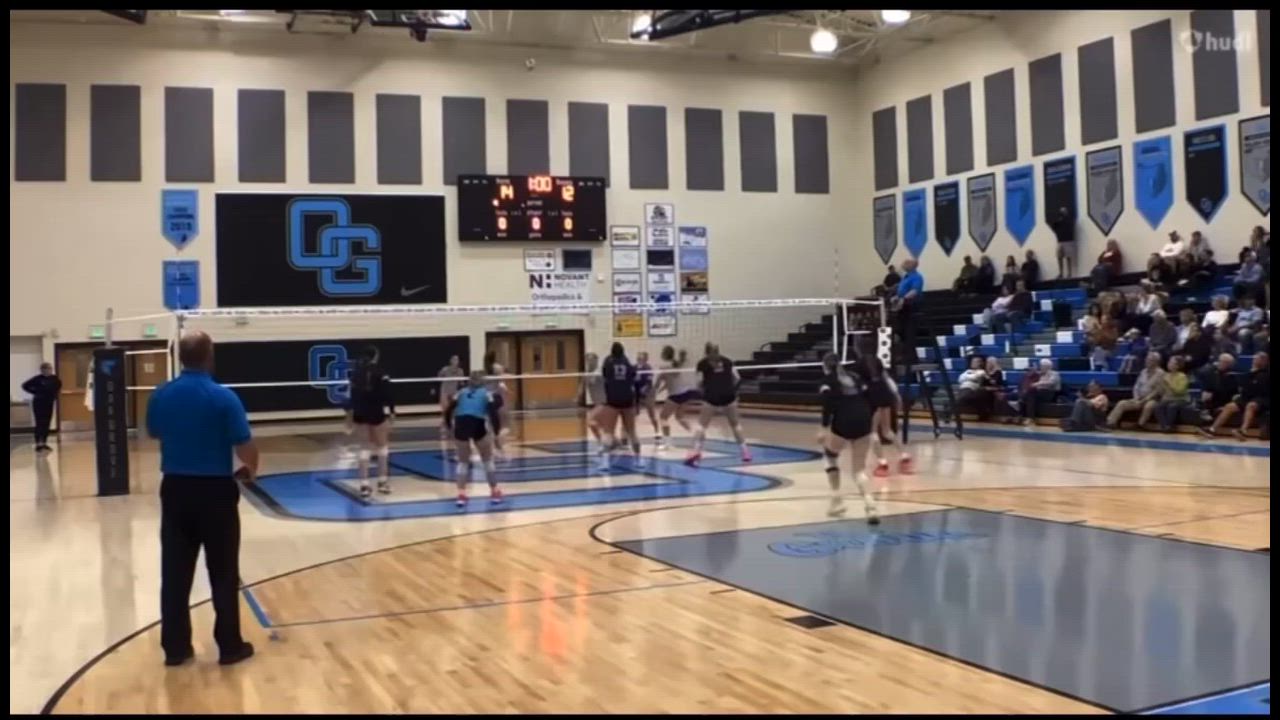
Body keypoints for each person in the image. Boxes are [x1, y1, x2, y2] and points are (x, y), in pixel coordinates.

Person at [145, 331, 258, 668]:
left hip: (175, 489)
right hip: (215, 492)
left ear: (180, 357)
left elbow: (153, 432)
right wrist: (250, 470)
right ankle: (229, 646)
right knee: (223, 570)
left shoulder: (161, 394)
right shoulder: (223, 397)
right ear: (210, 356)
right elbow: (244, 443)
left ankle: (176, 648)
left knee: (175, 572)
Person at [817, 352, 879, 522]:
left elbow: (827, 403)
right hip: (864, 419)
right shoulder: (855, 377)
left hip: (844, 420)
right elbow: (872, 398)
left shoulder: (827, 381)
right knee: (859, 470)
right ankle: (870, 505)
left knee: (829, 457)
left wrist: (823, 428)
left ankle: (836, 500)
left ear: (825, 366)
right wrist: (867, 417)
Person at [442, 370, 503, 507]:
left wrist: (449, 426)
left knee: (463, 462)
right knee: (487, 460)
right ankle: (494, 491)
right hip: (477, 424)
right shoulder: (486, 393)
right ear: (483, 381)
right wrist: (496, 433)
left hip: (460, 425)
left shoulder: (461, 392)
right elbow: (493, 413)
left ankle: (461, 495)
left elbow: (448, 410)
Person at [685, 343, 750, 466]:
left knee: (701, 426)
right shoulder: (727, 361)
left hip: (712, 396)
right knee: (735, 425)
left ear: (706, 353)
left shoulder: (702, 364)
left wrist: (703, 392)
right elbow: (737, 379)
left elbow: (698, 383)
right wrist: (732, 391)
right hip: (728, 396)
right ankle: (745, 452)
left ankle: (696, 451)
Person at [347, 345, 396, 499]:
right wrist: (391, 411)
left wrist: (351, 415)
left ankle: (364, 485)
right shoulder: (381, 372)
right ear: (376, 356)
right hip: (376, 412)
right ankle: (382, 482)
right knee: (382, 447)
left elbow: (352, 396)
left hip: (360, 413)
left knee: (364, 448)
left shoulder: (356, 373)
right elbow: (387, 394)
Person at [861, 352, 912, 477]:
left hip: (873, 397)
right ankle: (905, 456)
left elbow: (859, 386)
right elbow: (887, 379)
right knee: (887, 431)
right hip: (885, 394)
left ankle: (882, 463)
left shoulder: (860, 364)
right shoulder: (877, 360)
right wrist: (897, 395)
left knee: (872, 433)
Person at [1200, 352, 1270, 440]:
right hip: (1247, 397)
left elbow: (1261, 389)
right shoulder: (1250, 373)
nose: (1254, 360)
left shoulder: (1267, 374)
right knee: (1230, 406)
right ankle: (1212, 429)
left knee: (1251, 405)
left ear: (1264, 361)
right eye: (1254, 359)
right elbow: (1244, 386)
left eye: (1257, 359)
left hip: (1263, 398)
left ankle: (1243, 431)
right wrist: (1252, 373)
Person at [597, 342, 642, 467]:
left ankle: (605, 463)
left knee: (608, 432)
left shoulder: (608, 362)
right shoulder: (627, 362)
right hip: (628, 399)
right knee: (632, 432)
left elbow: (605, 376)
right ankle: (639, 460)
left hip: (613, 400)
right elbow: (634, 377)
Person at [1106, 352, 1165, 429]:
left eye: (1150, 360)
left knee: (1149, 406)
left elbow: (1157, 391)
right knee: (1122, 403)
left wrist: (1144, 400)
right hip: (1139, 398)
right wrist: (1136, 397)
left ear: (1156, 362)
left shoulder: (1161, 374)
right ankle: (1110, 422)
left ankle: (1140, 424)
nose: (1147, 362)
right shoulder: (1143, 372)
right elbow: (1136, 386)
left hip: (1153, 399)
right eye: (1147, 359)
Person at [656, 346, 697, 448]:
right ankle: (695, 434)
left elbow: (659, 381)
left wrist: (652, 392)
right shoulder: (675, 364)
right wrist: (662, 389)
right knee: (679, 417)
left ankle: (667, 443)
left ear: (665, 354)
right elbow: (671, 380)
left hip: (675, 396)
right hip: (685, 393)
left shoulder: (664, 367)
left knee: (663, 417)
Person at [21, 362, 61, 452]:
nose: (49, 370)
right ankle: (38, 444)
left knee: (47, 423)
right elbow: (24, 386)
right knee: (39, 423)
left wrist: (54, 396)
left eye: (50, 369)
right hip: (39, 403)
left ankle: (44, 443)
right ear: (42, 370)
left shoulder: (54, 379)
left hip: (49, 403)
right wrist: (35, 392)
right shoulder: (37, 379)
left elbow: (58, 386)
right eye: (47, 369)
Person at [483, 350, 512, 461]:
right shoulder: (497, 368)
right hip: (493, 398)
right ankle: (497, 448)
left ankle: (496, 447)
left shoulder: (484, 370)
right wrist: (505, 389)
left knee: (493, 424)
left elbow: (499, 381)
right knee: (497, 424)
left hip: (488, 399)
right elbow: (501, 381)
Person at [1196, 353, 1239, 425]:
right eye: (1222, 361)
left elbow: (1234, 391)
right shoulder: (1210, 372)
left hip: (1226, 399)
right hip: (1213, 398)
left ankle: (1212, 411)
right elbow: (1208, 386)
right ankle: (1206, 411)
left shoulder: (1232, 375)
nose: (1223, 364)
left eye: (1228, 363)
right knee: (1207, 394)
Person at [1153, 356, 1191, 432]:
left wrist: (1169, 384)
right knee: (1158, 406)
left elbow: (1179, 391)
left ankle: (1169, 426)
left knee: (1172, 406)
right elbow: (1163, 391)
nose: (1169, 364)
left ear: (1177, 366)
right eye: (1169, 362)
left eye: (1171, 363)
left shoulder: (1182, 376)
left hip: (1181, 399)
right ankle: (1165, 426)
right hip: (1169, 398)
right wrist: (1159, 385)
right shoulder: (1166, 375)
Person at [1019, 358, 1061, 425]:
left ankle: (1030, 418)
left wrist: (1038, 383)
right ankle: (1024, 416)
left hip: (1049, 393)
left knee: (1030, 395)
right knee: (1029, 396)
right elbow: (1032, 372)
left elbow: (1051, 382)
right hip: (1040, 392)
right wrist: (1032, 369)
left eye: (1041, 366)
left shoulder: (1054, 373)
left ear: (1046, 366)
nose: (1040, 367)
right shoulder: (1041, 373)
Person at [580, 352, 607, 451]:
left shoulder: (600, 372)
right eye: (588, 360)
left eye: (592, 360)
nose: (590, 362)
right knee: (602, 426)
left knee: (591, 421)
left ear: (596, 361)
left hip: (604, 403)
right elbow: (581, 388)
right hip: (596, 404)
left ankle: (602, 443)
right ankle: (611, 443)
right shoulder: (586, 374)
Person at [634, 350, 660, 446]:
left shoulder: (647, 368)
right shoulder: (633, 367)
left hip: (647, 393)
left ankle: (657, 432)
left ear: (645, 359)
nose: (639, 358)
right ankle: (632, 434)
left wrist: (644, 389)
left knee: (651, 413)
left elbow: (649, 382)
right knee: (633, 414)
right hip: (636, 393)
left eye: (641, 356)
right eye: (638, 356)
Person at [955, 355, 992, 421]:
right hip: (963, 388)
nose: (974, 363)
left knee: (964, 397)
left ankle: (984, 412)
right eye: (973, 362)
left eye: (977, 362)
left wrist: (967, 377)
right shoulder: (967, 371)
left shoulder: (982, 372)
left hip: (972, 389)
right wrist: (968, 376)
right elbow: (960, 379)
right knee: (960, 398)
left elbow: (974, 377)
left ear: (981, 363)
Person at [1051, 206, 1076, 279]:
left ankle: (1069, 273)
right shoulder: (1059, 220)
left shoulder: (1070, 219)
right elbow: (1053, 226)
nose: (1063, 212)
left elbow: (1071, 226)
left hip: (1068, 240)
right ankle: (1061, 273)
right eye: (1062, 211)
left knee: (1068, 257)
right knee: (1059, 257)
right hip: (1060, 241)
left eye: (1064, 211)